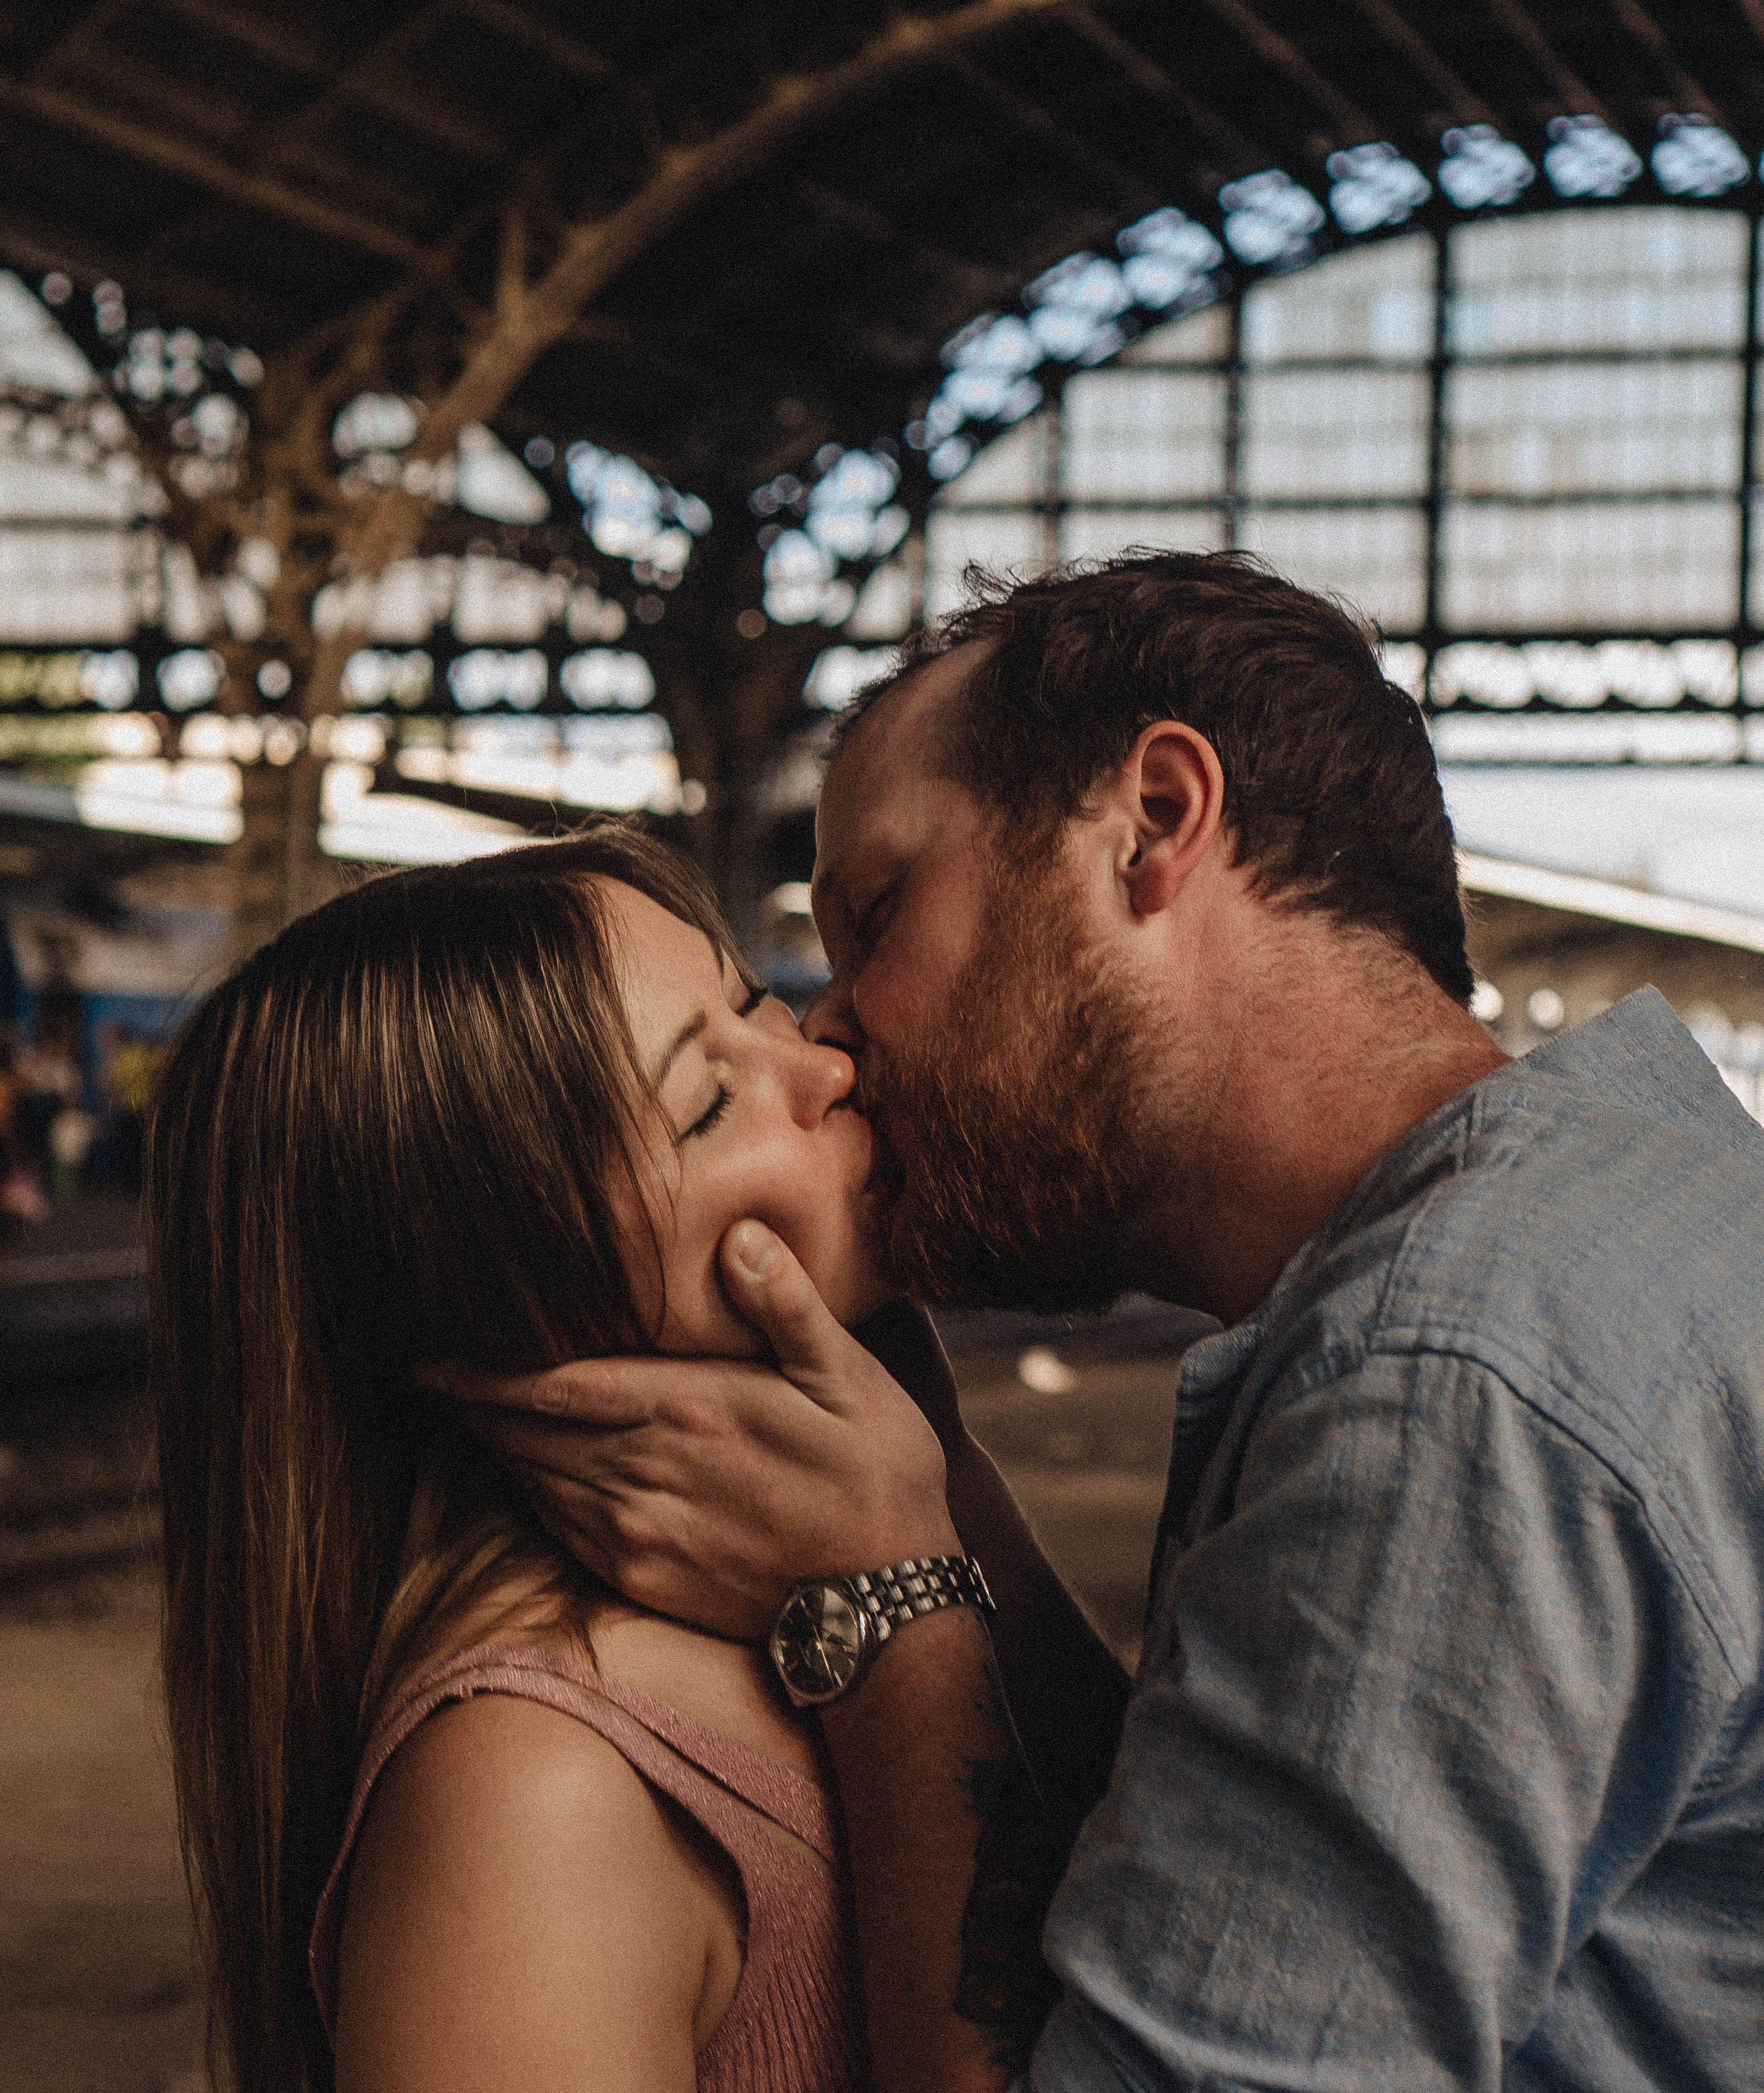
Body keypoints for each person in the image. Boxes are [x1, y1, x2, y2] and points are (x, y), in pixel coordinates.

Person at [444, 552, 1764, 2093]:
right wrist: (924, 1486)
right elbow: (1178, 1857)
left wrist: (891, 1602)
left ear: (1149, 824)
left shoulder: (1448, 1381)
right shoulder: (1634, 1208)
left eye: (876, 914)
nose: (828, 1028)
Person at [147, 823, 936, 2093]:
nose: (822, 1064)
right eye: (711, 1101)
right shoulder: (532, 1794)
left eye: (752, 1003)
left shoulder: (842, 1558)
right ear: (513, 1313)